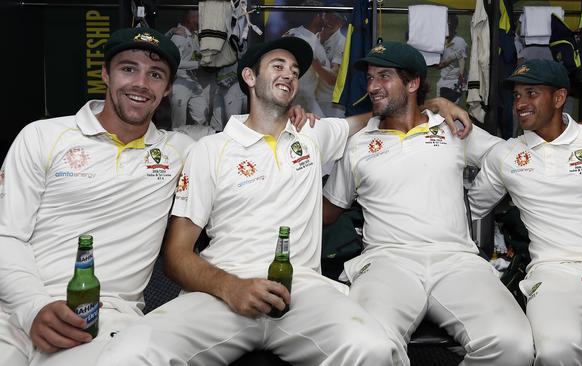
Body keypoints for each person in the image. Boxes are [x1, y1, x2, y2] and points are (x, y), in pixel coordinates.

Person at [95, 37, 471, 366]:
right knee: (126, 355)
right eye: (278, 66)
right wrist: (231, 287)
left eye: (294, 70)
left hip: (303, 290)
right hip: (221, 289)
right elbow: (177, 255)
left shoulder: (312, 136)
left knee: (375, 349)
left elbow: (382, 109)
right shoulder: (210, 150)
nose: (289, 74)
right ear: (249, 78)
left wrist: (433, 103)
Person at [322, 41, 536, 366]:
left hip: (456, 261)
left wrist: (578, 133)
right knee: (368, 345)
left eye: (384, 76)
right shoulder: (358, 143)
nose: (372, 86)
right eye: (369, 78)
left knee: (514, 344)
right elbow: (328, 210)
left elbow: (514, 157)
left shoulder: (453, 128)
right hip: (387, 261)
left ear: (412, 83)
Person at [0, 27, 195, 366]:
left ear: (167, 90)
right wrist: (32, 307)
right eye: (128, 68)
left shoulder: (180, 152)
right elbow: (6, 234)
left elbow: (246, 144)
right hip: (13, 305)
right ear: (105, 73)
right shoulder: (42, 136)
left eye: (155, 75)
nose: (140, 83)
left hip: (105, 315)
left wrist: (297, 118)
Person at [468, 59, 582, 366]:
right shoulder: (505, 155)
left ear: (559, 97)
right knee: (554, 352)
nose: (520, 103)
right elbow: (469, 210)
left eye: (531, 93)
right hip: (557, 276)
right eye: (516, 96)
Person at [167, 10, 213, 128]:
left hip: (193, 82)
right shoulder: (178, 36)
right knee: (178, 122)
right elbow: (175, 62)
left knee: (202, 116)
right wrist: (198, 64)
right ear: (189, 19)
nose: (200, 20)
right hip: (180, 83)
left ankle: (199, 142)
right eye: (197, 17)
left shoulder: (195, 36)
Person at [283, 0, 330, 117]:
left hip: (305, 96)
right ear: (316, 17)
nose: (326, 19)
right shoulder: (303, 42)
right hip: (302, 99)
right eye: (323, 15)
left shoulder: (296, 33)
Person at [312, 6, 347, 118]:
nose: (330, 22)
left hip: (331, 103)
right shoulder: (313, 37)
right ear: (323, 17)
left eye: (336, 19)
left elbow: (333, 78)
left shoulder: (342, 43)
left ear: (341, 23)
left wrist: (314, 63)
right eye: (328, 17)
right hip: (311, 98)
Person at [435, 14, 468, 103]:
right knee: (440, 111)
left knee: (450, 112)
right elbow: (438, 65)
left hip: (454, 82)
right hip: (443, 80)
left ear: (453, 25)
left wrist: (461, 83)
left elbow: (462, 63)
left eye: (448, 24)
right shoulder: (441, 41)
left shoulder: (459, 42)